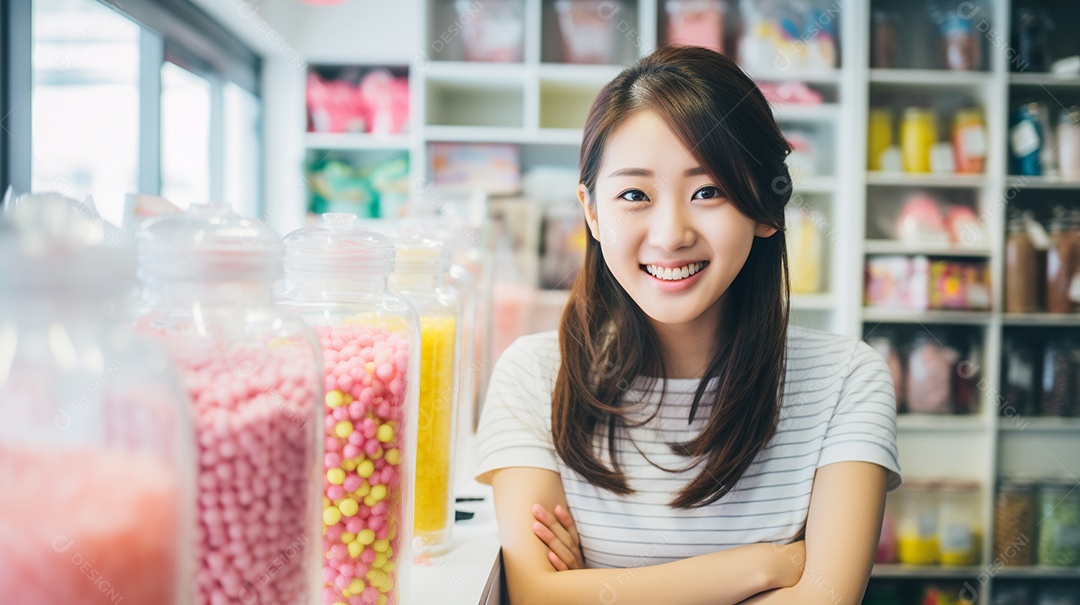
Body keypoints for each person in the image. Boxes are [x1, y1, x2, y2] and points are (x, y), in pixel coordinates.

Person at [473, 45, 901, 605]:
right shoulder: (533, 376)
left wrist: (598, 594)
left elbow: (825, 600)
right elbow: (534, 595)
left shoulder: (847, 381)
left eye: (708, 191)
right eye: (634, 195)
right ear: (592, 212)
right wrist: (766, 565)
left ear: (766, 208)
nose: (670, 233)